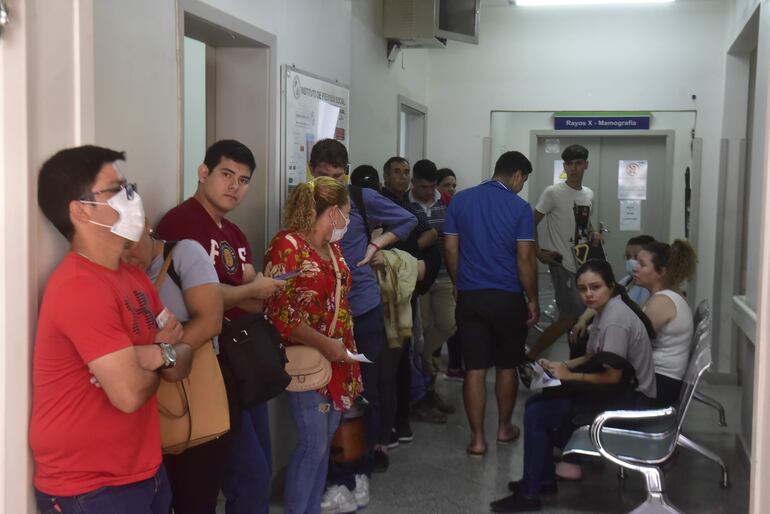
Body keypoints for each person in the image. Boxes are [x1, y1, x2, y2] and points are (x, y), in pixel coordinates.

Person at [31, 145, 192, 514]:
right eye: (117, 189)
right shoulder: (79, 286)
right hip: (90, 488)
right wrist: (158, 355)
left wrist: (156, 355)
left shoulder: (133, 276)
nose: (132, 198)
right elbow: (130, 394)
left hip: (144, 471)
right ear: (81, 209)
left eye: (129, 187)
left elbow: (182, 357)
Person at [155, 139, 285, 514]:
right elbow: (201, 303)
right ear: (203, 173)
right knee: (248, 474)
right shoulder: (181, 224)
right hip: (209, 364)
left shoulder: (233, 232)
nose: (235, 187)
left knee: (259, 467)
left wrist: (252, 289)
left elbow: (252, 296)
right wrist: (249, 288)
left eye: (243, 181)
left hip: (244, 359)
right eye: (227, 175)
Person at [491, 259, 656, 513]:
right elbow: (592, 357)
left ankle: (530, 494)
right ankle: (543, 479)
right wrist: (560, 365)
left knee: (537, 412)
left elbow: (613, 377)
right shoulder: (606, 310)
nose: (588, 294)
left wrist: (569, 376)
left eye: (595, 287)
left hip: (631, 401)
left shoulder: (615, 320)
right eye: (582, 288)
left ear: (611, 286)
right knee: (537, 403)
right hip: (620, 390)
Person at [309, 140, 417, 510]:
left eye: (338, 176)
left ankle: (361, 472)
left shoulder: (360, 196)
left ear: (347, 173)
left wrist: (376, 248)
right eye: (325, 175)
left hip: (363, 308)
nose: (332, 183)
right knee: (329, 396)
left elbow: (407, 220)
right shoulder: (302, 202)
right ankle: (336, 473)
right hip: (323, 316)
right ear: (312, 172)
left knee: (364, 393)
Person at [263, 177, 363, 514]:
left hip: (339, 357)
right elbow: (278, 311)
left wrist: (341, 348)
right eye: (346, 214)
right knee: (312, 445)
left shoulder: (332, 247)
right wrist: (325, 343)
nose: (348, 223)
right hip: (308, 358)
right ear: (333, 212)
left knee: (324, 444)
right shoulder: (287, 245)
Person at [122, 222, 225, 514]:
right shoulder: (122, 274)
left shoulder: (184, 253)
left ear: (145, 226)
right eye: (120, 250)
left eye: (131, 245)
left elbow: (211, 321)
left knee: (194, 498)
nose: (128, 257)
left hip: (194, 395)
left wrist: (162, 353)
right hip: (148, 409)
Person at [444, 150, 539, 456]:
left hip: (471, 297)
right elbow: (525, 259)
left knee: (474, 367)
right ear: (516, 176)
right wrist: (533, 298)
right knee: (507, 365)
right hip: (507, 297)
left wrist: (459, 283)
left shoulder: (460, 200)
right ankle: (503, 428)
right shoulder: (521, 208)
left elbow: (451, 249)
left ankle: (476, 440)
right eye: (522, 181)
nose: (521, 186)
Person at [380, 156, 445, 428]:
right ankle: (407, 407)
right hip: (389, 290)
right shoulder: (378, 202)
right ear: (386, 176)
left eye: (406, 172)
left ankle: (414, 400)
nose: (402, 177)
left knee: (412, 345)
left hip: (411, 287)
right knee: (402, 351)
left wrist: (409, 252)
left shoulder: (407, 206)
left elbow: (430, 233)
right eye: (397, 172)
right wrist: (405, 254)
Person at [528, 144, 595, 361]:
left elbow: (584, 226)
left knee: (582, 317)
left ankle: (573, 364)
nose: (574, 168)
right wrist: (538, 253)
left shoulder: (588, 194)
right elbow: (530, 223)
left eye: (578, 163)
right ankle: (530, 358)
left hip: (583, 266)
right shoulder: (553, 192)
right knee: (569, 317)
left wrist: (594, 237)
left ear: (586, 165)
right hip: (562, 264)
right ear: (564, 166)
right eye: (569, 164)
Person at [408, 159, 457, 417]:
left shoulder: (447, 201)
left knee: (448, 324)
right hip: (418, 280)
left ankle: (425, 368)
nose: (427, 191)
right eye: (422, 186)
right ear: (413, 182)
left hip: (444, 276)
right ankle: (427, 391)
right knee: (421, 330)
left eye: (431, 187)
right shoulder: (405, 203)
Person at [566, 235, 656, 355]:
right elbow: (602, 300)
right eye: (628, 257)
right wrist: (582, 320)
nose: (631, 261)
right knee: (576, 329)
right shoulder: (627, 280)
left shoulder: (645, 289)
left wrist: (597, 327)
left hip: (620, 331)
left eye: (637, 258)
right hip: (609, 323)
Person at [634, 240, 698, 406]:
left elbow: (634, 342)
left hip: (659, 386)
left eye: (642, 264)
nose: (635, 268)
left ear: (661, 271)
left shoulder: (662, 301)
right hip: (660, 380)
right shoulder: (666, 295)